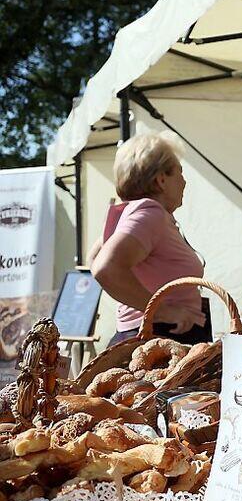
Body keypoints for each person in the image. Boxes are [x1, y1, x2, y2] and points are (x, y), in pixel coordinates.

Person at [89, 134, 210, 347]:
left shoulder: (137, 212)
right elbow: (104, 267)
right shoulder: (149, 214)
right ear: (161, 180)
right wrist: (162, 311)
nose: (184, 182)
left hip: (155, 335)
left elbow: (94, 257)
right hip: (160, 338)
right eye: (180, 173)